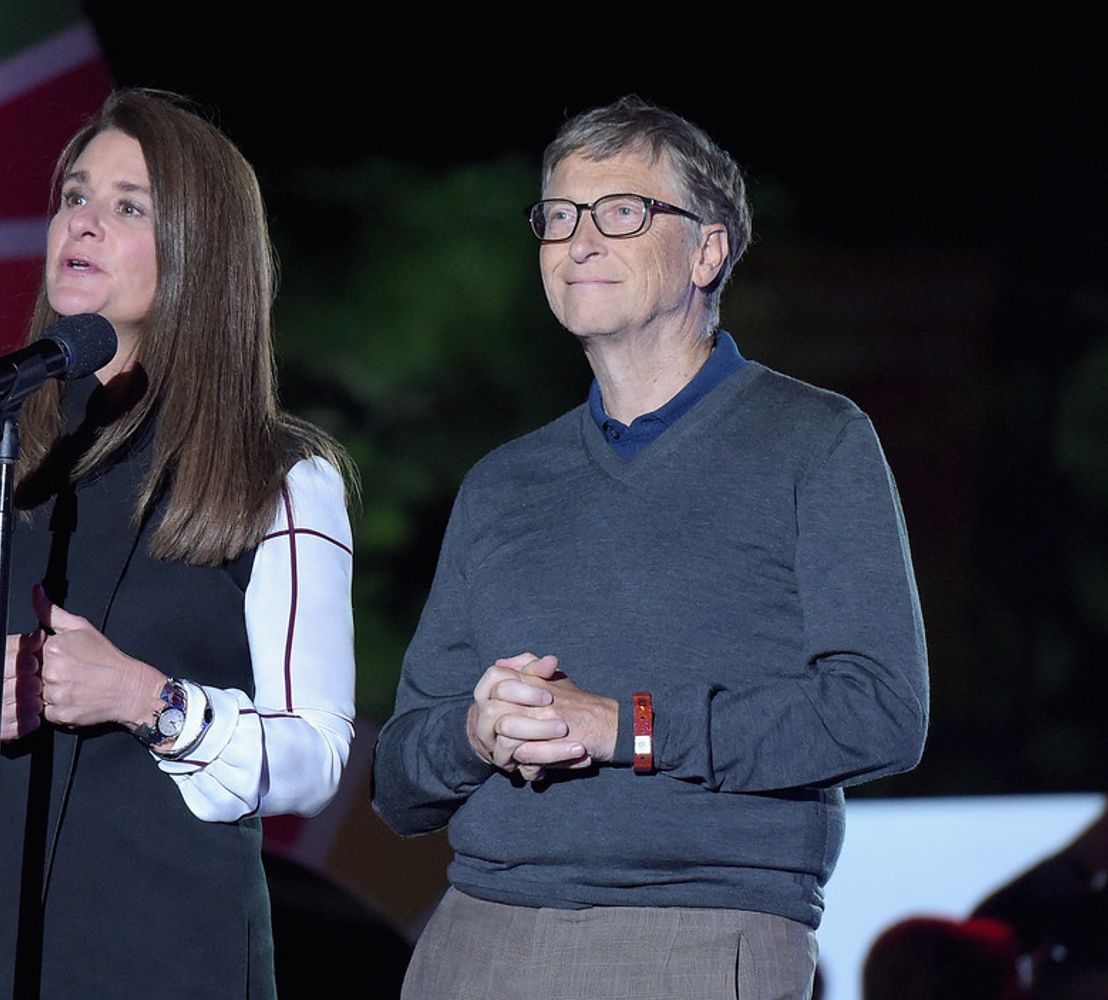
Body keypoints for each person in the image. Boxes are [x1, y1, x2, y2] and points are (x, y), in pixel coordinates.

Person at [372, 95, 929, 999]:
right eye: (558, 217)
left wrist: (625, 728)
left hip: (698, 931)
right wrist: (474, 734)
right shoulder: (502, 483)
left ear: (708, 250)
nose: (578, 241)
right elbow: (399, 779)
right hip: (473, 934)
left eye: (622, 212)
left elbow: (879, 713)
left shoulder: (816, 441)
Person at [0, 89, 355, 998]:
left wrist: (148, 699)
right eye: (74, 195)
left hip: (159, 951)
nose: (85, 223)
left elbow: (314, 754)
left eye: (127, 206)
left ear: (198, 251)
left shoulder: (280, 477)